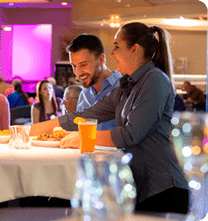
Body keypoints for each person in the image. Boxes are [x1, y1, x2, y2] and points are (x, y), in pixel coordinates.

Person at [30, 22, 189, 214]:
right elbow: (83, 116)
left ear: (134, 50)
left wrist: (84, 138)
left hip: (164, 187)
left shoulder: (155, 80)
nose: (112, 55)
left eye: (116, 47)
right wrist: (26, 131)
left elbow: (131, 134)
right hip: (141, 184)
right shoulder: (127, 86)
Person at [66, 34, 122, 130]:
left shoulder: (124, 88)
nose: (77, 73)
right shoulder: (84, 94)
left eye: (83, 65)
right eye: (74, 66)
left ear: (101, 59)